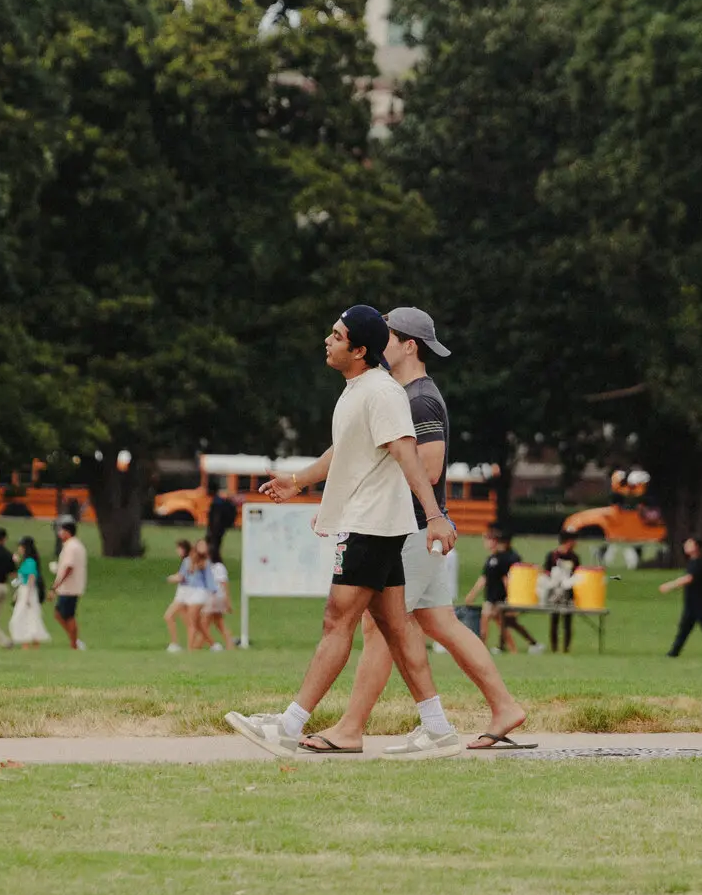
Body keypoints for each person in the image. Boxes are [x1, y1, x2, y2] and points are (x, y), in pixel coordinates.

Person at [225, 305, 463, 759]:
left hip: (372, 527)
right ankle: (437, 729)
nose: (327, 340)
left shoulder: (382, 393)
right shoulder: (360, 391)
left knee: (338, 621)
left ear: (359, 351)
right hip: (373, 524)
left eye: (337, 335)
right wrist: (298, 482)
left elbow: (408, 454)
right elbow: (348, 452)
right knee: (396, 627)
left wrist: (435, 517)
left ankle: (288, 726)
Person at [296, 308, 530, 752]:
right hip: (414, 526)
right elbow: (352, 451)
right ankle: (503, 707)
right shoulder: (397, 392)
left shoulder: (418, 399)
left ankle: (351, 728)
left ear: (409, 345)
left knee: (381, 627)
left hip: (411, 529)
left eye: (388, 336)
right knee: (440, 623)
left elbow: (430, 466)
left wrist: (375, 501)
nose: (379, 341)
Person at [462, 526, 539, 653]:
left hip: (500, 596)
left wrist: (511, 597)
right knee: (493, 621)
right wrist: (472, 593)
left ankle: (513, 648)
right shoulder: (491, 558)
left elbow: (507, 579)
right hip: (490, 596)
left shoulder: (507, 557)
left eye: (488, 540)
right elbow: (484, 578)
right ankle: (489, 647)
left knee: (502, 622)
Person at [660, 535, 702, 658]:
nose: (686, 545)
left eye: (690, 544)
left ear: (697, 547)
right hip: (691, 602)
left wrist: (670, 585)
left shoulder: (699, 562)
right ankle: (673, 653)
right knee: (684, 628)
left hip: (699, 602)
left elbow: (689, 578)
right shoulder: (692, 562)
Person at [51, 515, 88, 649]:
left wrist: (56, 585)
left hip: (70, 588)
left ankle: (75, 643)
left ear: (67, 532)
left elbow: (69, 568)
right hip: (67, 588)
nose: (59, 534)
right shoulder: (71, 545)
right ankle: (74, 640)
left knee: (68, 616)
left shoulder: (72, 546)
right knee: (59, 614)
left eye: (61, 531)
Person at [542, 536, 583, 653]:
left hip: (568, 593)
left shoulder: (574, 557)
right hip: (555, 592)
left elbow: (577, 573)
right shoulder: (552, 555)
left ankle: (566, 648)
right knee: (554, 621)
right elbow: (546, 572)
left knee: (567, 622)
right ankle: (554, 647)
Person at [10, 535, 50, 646]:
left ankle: (28, 641)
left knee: (25, 617)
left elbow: (31, 579)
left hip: (28, 591)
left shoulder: (30, 561)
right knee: (28, 616)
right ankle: (29, 641)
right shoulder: (27, 561)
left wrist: (27, 597)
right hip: (24, 590)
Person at [162, 538, 194, 652]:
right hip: (187, 592)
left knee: (169, 616)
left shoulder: (187, 561)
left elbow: (181, 577)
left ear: (184, 549)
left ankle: (175, 643)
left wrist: (169, 579)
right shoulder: (189, 560)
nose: (177, 551)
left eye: (179, 548)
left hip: (183, 593)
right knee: (188, 621)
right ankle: (193, 645)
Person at [202, 545, 233, 651]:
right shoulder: (208, 566)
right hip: (213, 597)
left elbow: (224, 584)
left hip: (215, 597)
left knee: (203, 623)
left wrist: (227, 601)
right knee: (219, 623)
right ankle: (230, 645)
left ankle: (201, 645)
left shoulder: (218, 567)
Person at [206, 487, 239, 565]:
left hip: (215, 528)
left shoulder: (217, 503)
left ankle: (213, 559)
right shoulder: (226, 504)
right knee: (215, 544)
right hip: (218, 529)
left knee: (213, 544)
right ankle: (214, 558)